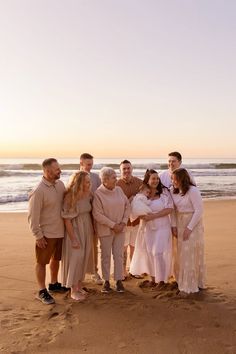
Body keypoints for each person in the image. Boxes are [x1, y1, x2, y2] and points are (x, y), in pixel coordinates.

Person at [28, 158, 66, 305]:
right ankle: (42, 291)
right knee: (41, 262)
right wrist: (38, 236)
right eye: (57, 169)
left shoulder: (60, 184)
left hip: (60, 232)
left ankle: (54, 284)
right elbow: (32, 216)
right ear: (48, 171)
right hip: (46, 235)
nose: (60, 171)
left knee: (56, 259)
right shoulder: (38, 191)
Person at [130, 169, 173, 288]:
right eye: (153, 178)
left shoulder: (164, 192)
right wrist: (143, 216)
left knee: (158, 252)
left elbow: (169, 208)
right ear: (147, 180)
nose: (156, 181)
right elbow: (136, 207)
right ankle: (153, 279)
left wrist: (154, 215)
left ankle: (162, 280)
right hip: (147, 227)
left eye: (157, 178)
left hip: (162, 226)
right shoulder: (143, 193)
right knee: (149, 252)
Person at [93, 167, 130, 293]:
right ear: (105, 180)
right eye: (114, 177)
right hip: (106, 230)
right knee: (106, 256)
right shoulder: (98, 193)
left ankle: (119, 281)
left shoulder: (119, 190)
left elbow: (127, 206)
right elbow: (97, 214)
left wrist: (123, 223)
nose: (116, 179)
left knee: (119, 255)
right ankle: (106, 281)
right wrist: (113, 225)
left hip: (120, 229)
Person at [170, 168, 205, 294]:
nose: (173, 181)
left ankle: (190, 284)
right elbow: (173, 210)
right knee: (180, 253)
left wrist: (189, 228)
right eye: (172, 179)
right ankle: (180, 279)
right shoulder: (172, 191)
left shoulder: (193, 191)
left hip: (193, 224)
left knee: (189, 252)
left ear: (182, 179)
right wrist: (173, 226)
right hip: (179, 223)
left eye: (175, 179)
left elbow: (199, 210)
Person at [61, 171, 94, 301]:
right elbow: (66, 220)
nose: (89, 183)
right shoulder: (70, 196)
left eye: (89, 181)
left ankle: (79, 285)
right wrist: (73, 238)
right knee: (76, 257)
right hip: (74, 229)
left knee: (84, 257)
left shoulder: (88, 194)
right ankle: (73, 290)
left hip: (86, 228)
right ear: (79, 183)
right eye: (86, 181)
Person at [116, 160, 142, 279]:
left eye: (128, 168)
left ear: (132, 169)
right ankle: (122, 271)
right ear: (120, 170)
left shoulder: (139, 182)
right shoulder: (116, 184)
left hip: (137, 221)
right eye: (124, 169)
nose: (126, 170)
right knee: (123, 247)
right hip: (123, 222)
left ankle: (134, 269)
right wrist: (129, 200)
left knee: (134, 246)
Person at [80, 153, 102, 285]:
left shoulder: (95, 177)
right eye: (88, 164)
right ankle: (80, 273)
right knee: (79, 244)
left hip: (93, 214)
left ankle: (94, 271)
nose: (90, 167)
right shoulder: (75, 177)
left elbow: (99, 195)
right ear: (81, 163)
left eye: (91, 164)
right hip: (79, 214)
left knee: (94, 245)